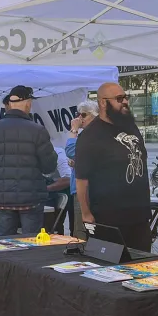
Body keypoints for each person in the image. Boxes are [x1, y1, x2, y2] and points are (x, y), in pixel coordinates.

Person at [75, 83, 151, 251]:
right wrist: (86, 214)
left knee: (143, 267)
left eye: (125, 97)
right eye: (119, 99)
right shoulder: (90, 136)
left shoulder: (130, 126)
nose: (125, 102)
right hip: (109, 219)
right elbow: (82, 179)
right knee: (111, 270)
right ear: (103, 102)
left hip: (139, 216)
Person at [0, 86, 58, 236]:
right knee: (31, 244)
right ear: (28, 103)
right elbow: (48, 166)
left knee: (5, 243)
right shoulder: (37, 130)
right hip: (30, 197)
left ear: (10, 104)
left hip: (2, 197)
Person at [65, 100, 99, 239]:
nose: (79, 119)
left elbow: (71, 150)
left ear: (94, 115)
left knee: (81, 233)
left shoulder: (92, 134)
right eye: (78, 115)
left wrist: (74, 130)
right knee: (80, 230)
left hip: (86, 189)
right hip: (82, 187)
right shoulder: (89, 134)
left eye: (83, 115)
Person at [45, 146, 73, 235]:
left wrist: (45, 188)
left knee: (59, 223)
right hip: (50, 185)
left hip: (67, 186)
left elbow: (69, 179)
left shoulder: (59, 155)